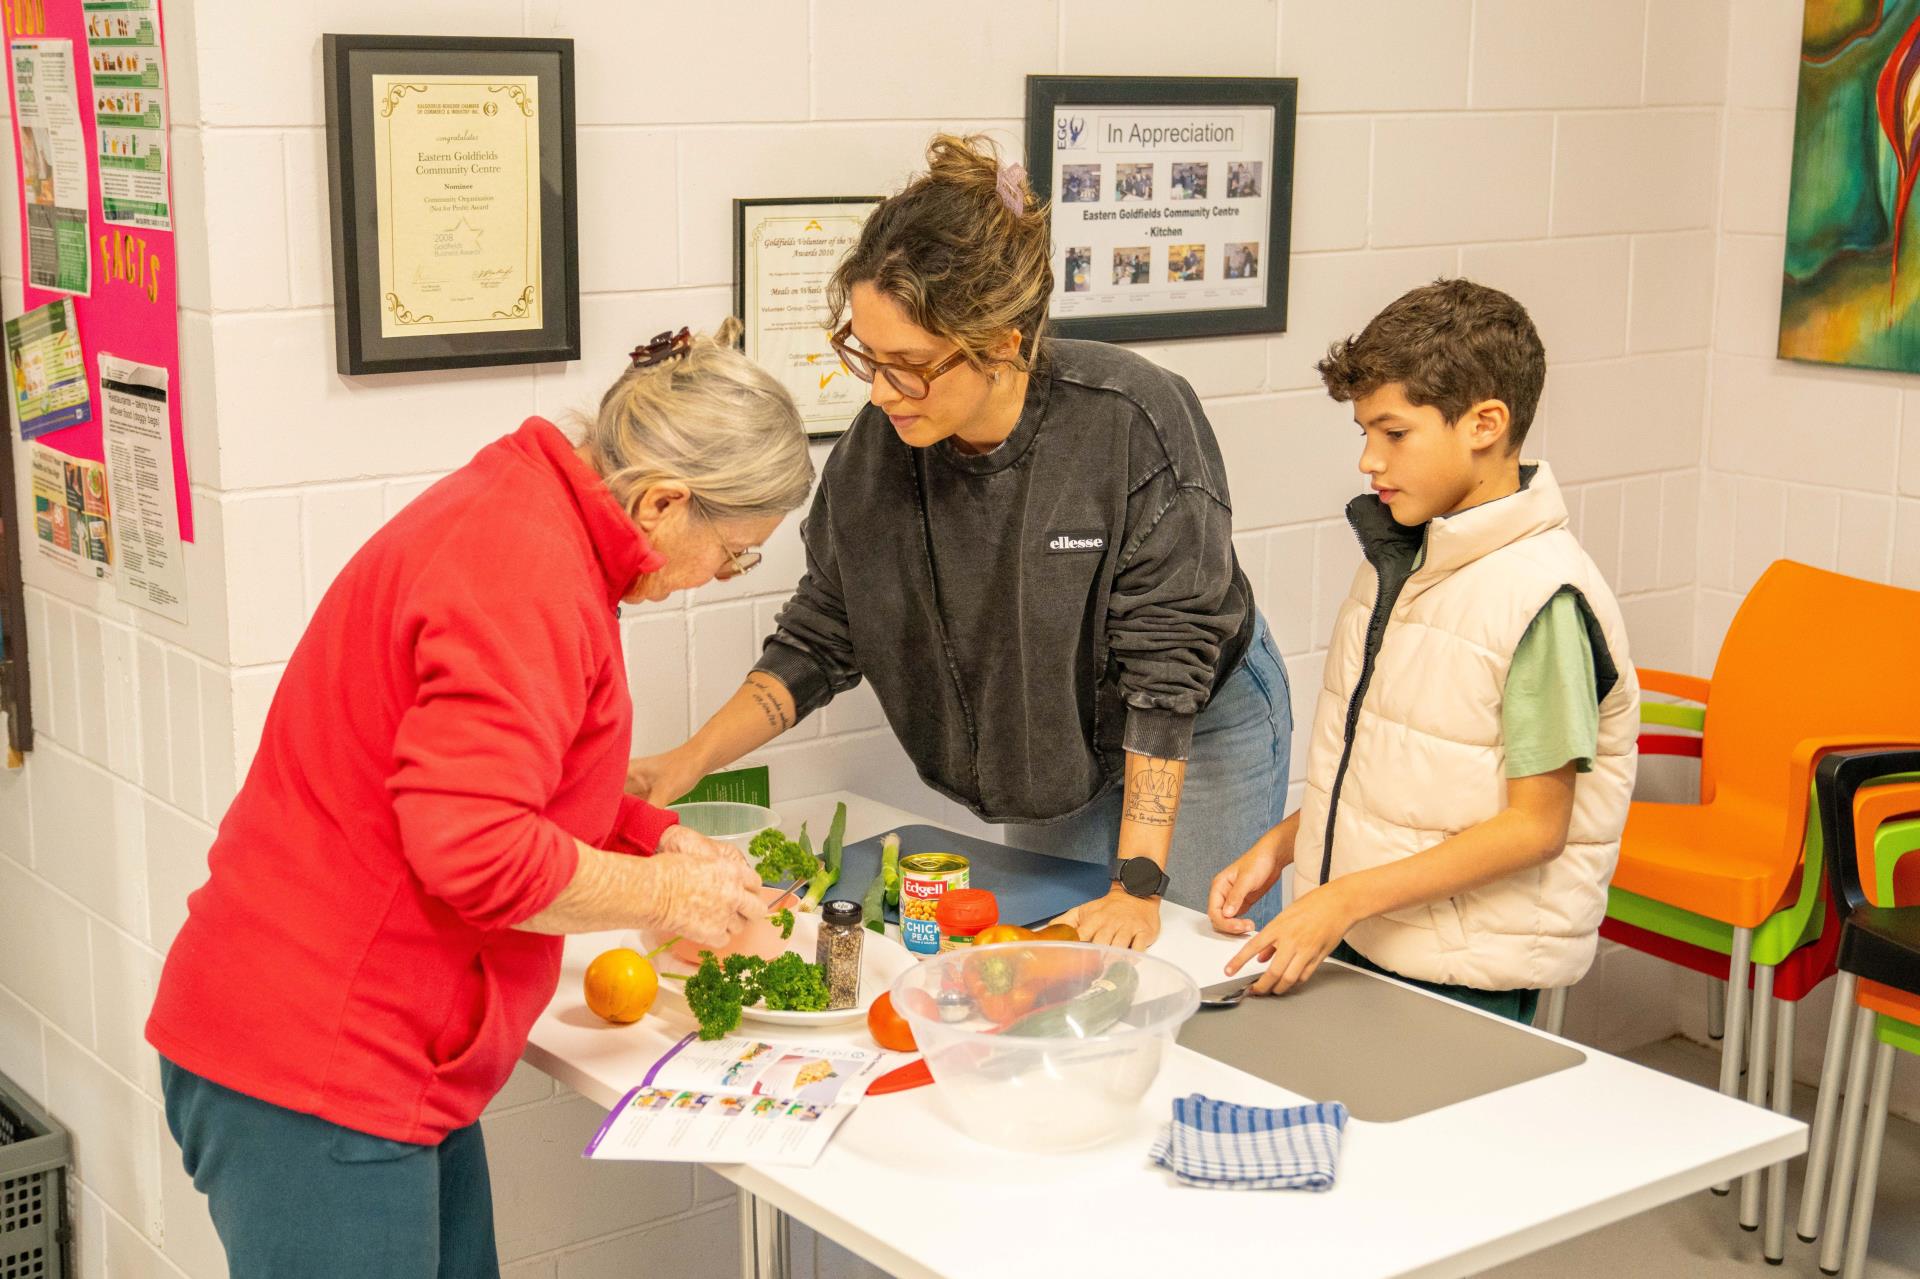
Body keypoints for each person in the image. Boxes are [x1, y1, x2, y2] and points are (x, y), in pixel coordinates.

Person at [144, 321, 811, 1277]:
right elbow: (480, 851)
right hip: (319, 1063)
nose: (720, 578)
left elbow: (521, 777)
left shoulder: (531, 512)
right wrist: (671, 900)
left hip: (383, 1062)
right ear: (666, 501)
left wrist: (662, 840)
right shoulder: (523, 566)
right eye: (735, 553)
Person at [630, 136, 1292, 951]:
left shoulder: (1131, 422)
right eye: (866, 355)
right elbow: (824, 632)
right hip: (1055, 731)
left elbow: (1167, 666)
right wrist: (686, 760)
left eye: (907, 364)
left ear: (1002, 345)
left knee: (1183, 960)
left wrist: (1140, 885)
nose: (879, 391)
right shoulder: (876, 455)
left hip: (1193, 719)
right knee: (1057, 969)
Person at [1207, 279, 1640, 1022]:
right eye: (1363, 433)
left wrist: (1342, 898)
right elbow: (1406, 776)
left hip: (1462, 979)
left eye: (1394, 432)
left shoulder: (1543, 599)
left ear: (1485, 423)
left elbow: (1536, 826)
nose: (1369, 460)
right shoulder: (1407, 561)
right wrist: (1285, 843)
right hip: (1369, 943)